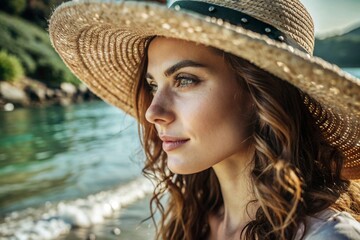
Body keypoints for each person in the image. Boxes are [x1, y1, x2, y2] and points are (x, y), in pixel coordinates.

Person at [49, 0, 360, 239]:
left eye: (185, 80)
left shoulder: (325, 235)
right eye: (153, 85)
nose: (152, 112)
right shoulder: (190, 223)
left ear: (260, 94)